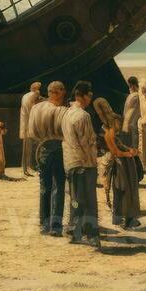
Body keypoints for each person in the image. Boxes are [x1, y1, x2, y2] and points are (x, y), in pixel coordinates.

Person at [61, 80, 100, 247]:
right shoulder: (83, 115)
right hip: (84, 163)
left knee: (76, 199)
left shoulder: (66, 113)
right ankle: (91, 234)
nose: (90, 99)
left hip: (70, 161)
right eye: (89, 95)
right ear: (82, 96)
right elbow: (87, 143)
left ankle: (74, 231)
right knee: (89, 201)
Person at [28, 81, 68, 235]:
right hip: (58, 147)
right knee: (58, 185)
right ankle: (56, 226)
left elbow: (31, 131)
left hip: (42, 147)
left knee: (45, 185)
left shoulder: (36, 108)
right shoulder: (61, 110)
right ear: (58, 92)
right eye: (62, 91)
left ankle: (44, 224)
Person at [95, 99, 141, 229]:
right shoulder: (108, 133)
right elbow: (116, 152)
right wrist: (130, 153)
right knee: (123, 190)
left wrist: (130, 150)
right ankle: (124, 219)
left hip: (122, 162)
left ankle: (121, 218)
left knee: (122, 190)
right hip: (119, 164)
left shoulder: (109, 131)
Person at [18, 81, 41, 176]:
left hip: (26, 124)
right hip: (29, 125)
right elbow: (32, 110)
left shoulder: (25, 96)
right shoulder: (33, 95)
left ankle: (26, 168)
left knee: (27, 148)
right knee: (30, 148)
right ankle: (28, 168)